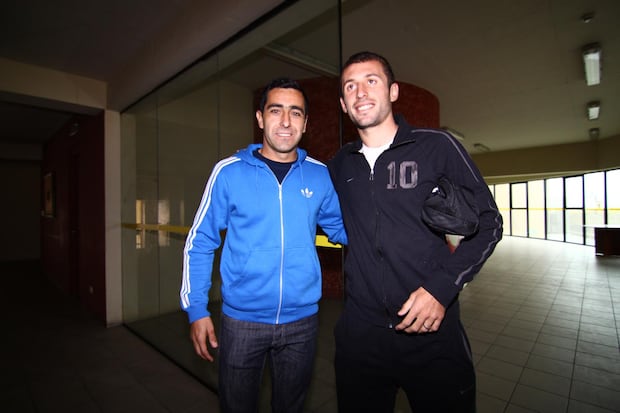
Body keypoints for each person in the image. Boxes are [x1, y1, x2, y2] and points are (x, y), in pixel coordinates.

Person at [328, 51, 503, 413]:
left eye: (371, 81)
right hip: (362, 338)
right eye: (350, 86)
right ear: (343, 104)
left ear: (393, 91)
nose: (361, 92)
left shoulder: (435, 146)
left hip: (431, 332)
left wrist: (442, 288)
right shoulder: (339, 165)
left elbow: (490, 222)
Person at [180, 77, 347, 413]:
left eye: (295, 113)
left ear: (305, 123)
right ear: (260, 118)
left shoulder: (320, 175)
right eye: (275, 110)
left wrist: (398, 231)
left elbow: (344, 229)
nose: (285, 121)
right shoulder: (228, 172)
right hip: (242, 322)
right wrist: (196, 308)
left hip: (302, 322)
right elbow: (200, 242)